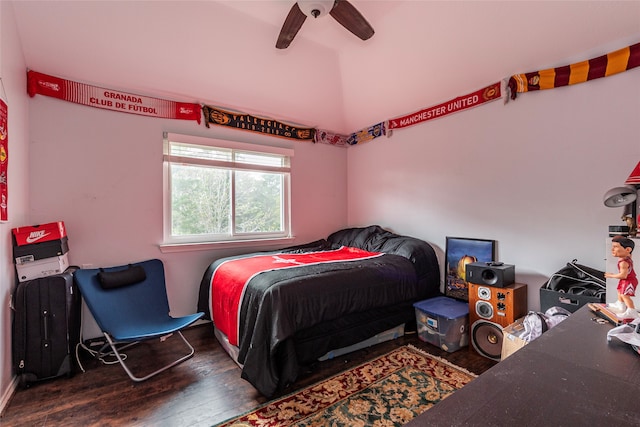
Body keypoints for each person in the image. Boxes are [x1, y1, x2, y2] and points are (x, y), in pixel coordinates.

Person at [605, 236, 638, 318]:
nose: (612, 249)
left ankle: (631, 311)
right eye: (612, 247)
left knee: (625, 295)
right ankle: (620, 304)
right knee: (619, 291)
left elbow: (623, 275)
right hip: (626, 280)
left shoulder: (623, 262)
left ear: (627, 250)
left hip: (629, 280)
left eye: (615, 247)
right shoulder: (626, 257)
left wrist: (611, 275)